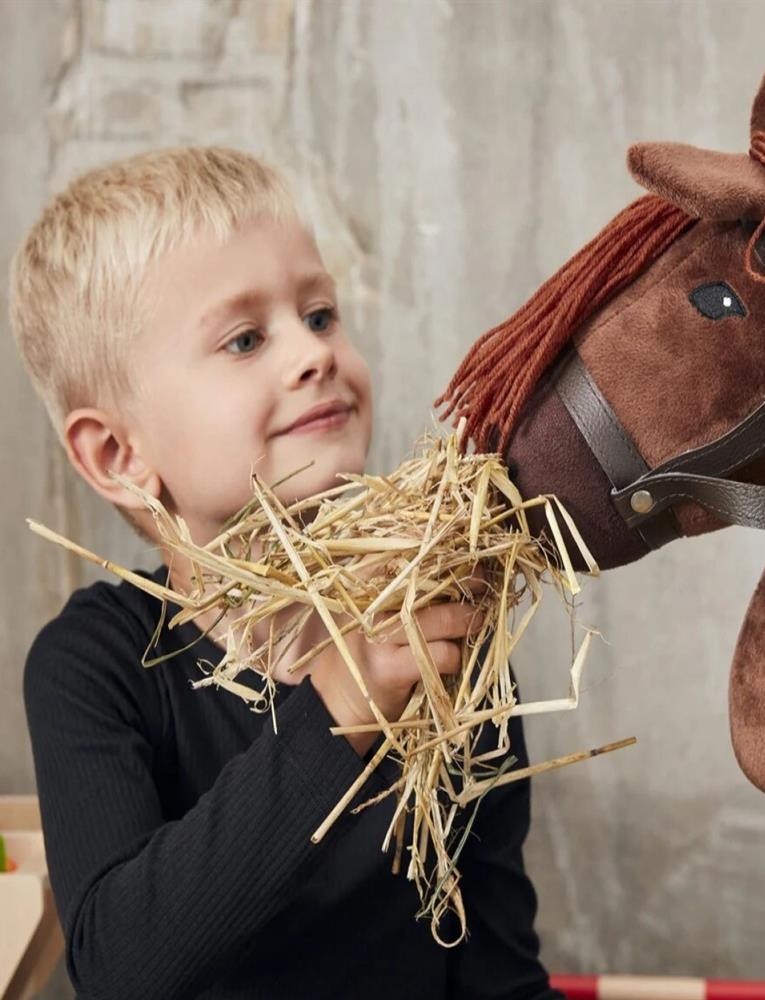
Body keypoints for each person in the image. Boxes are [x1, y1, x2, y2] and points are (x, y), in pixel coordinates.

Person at [10, 146, 562, 1000]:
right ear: (120, 454)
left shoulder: (444, 630)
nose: (311, 354)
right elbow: (119, 966)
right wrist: (337, 711)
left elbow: (495, 969)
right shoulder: (94, 666)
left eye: (320, 314)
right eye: (244, 338)